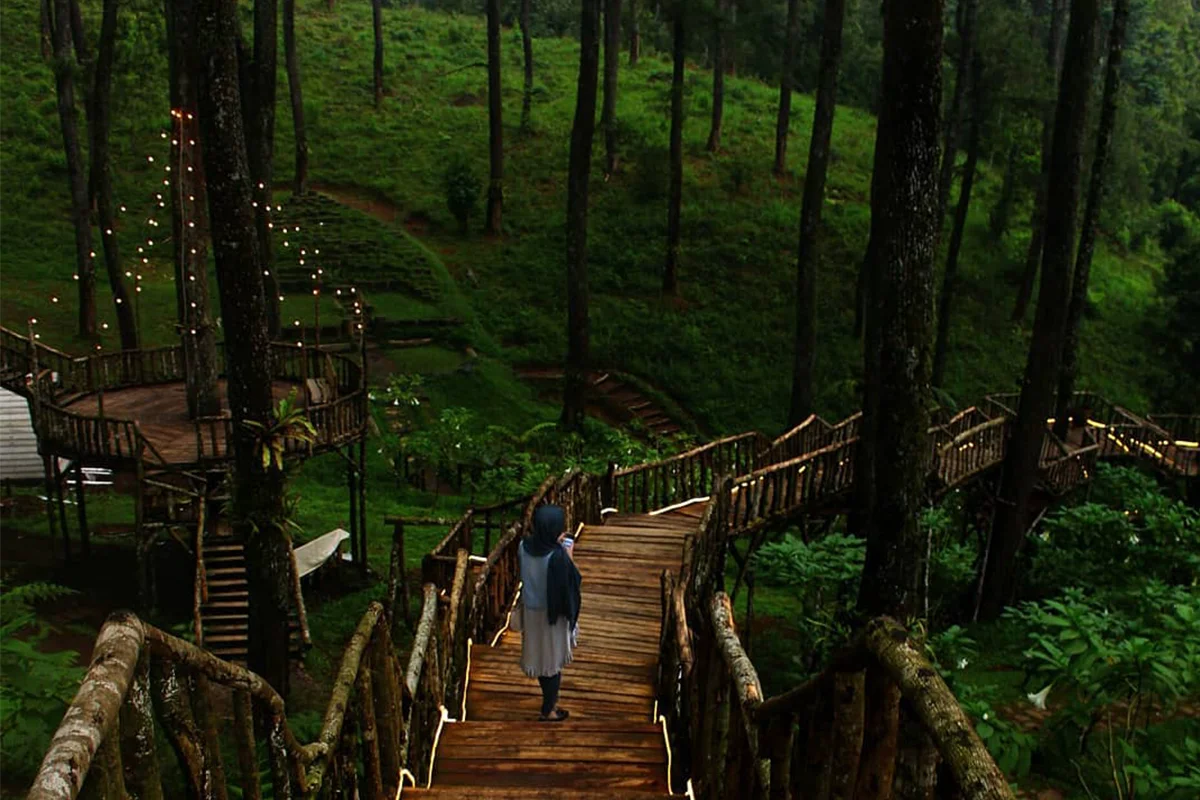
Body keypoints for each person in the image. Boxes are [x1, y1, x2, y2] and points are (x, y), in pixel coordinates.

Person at [515, 504, 582, 722]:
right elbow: (572, 582)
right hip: (552, 616)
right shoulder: (557, 557)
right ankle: (549, 710)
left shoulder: (523, 546)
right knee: (552, 663)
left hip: (530, 611)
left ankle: (548, 702)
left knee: (540, 658)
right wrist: (568, 554)